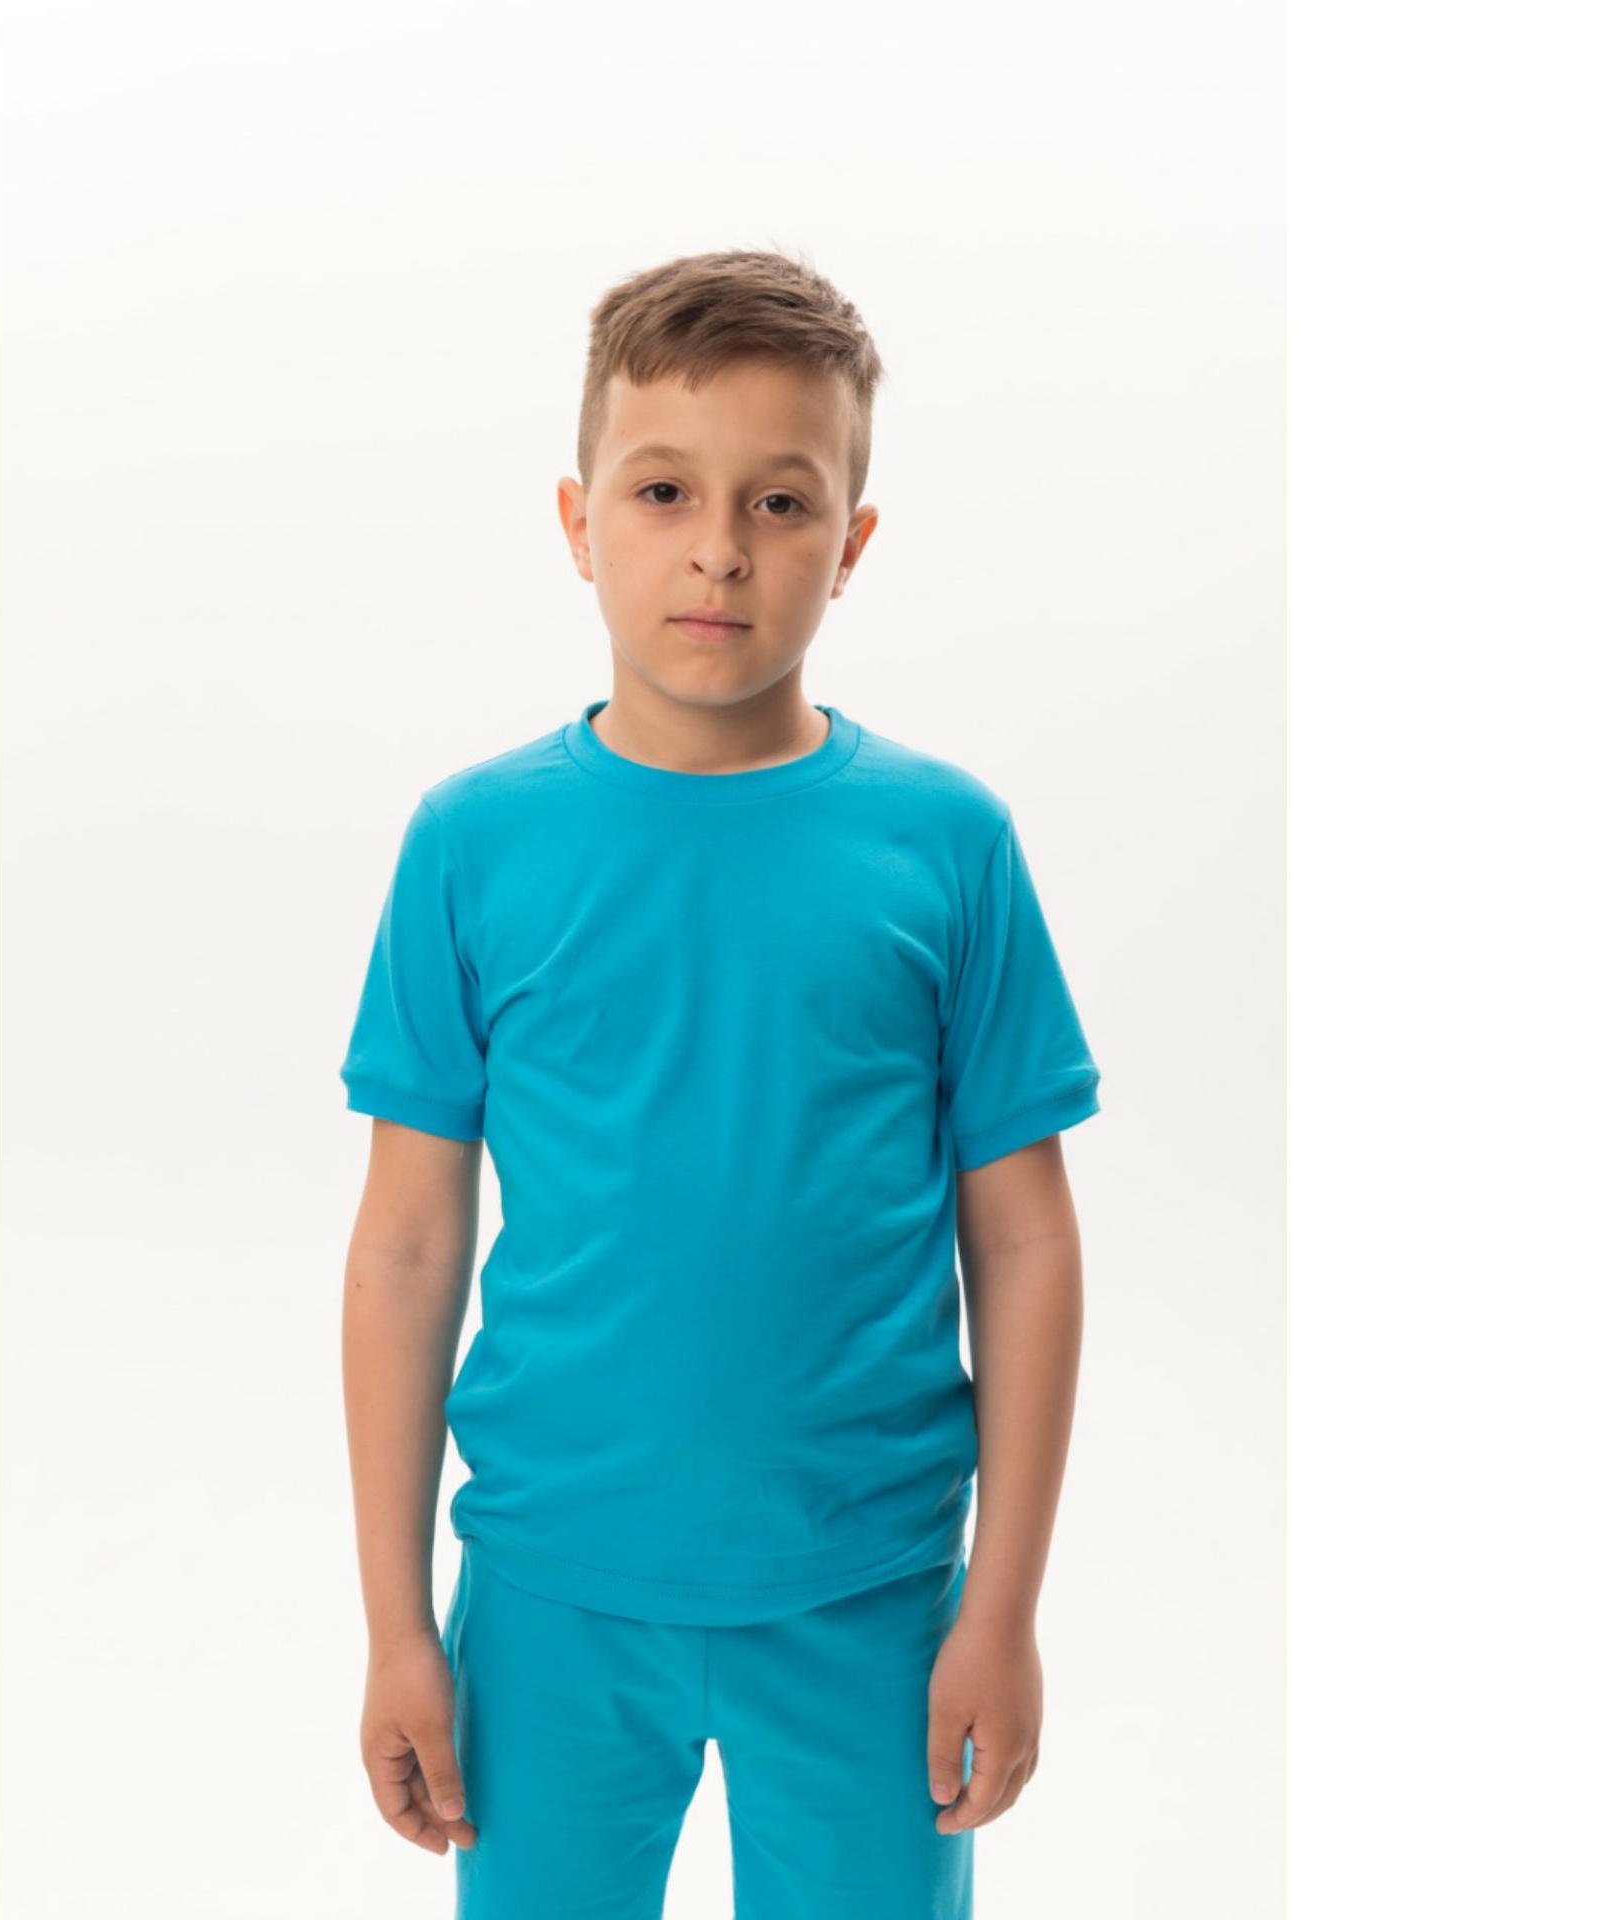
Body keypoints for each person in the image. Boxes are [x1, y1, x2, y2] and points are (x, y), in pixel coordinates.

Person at [339, 247, 1102, 1920]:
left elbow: (1026, 1241)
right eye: (665, 489)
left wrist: (1003, 1608)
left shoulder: (946, 846)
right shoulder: (472, 845)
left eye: (781, 501)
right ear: (577, 520)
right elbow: (407, 1244)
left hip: (873, 1597)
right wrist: (398, 1627)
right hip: (548, 1595)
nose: (719, 549)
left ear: (853, 542)